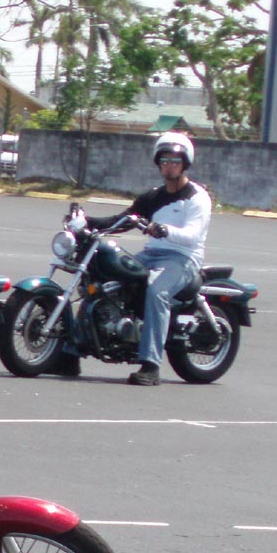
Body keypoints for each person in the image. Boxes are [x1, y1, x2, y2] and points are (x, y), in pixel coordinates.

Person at [68, 131, 212, 386]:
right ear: (158, 163)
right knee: (101, 278)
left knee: (157, 292)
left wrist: (165, 230)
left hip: (183, 259)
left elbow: (192, 235)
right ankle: (70, 353)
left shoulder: (197, 197)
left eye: (175, 161)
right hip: (150, 255)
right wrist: (86, 222)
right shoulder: (153, 197)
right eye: (165, 160)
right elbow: (122, 220)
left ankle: (151, 366)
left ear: (185, 163)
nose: (169, 165)